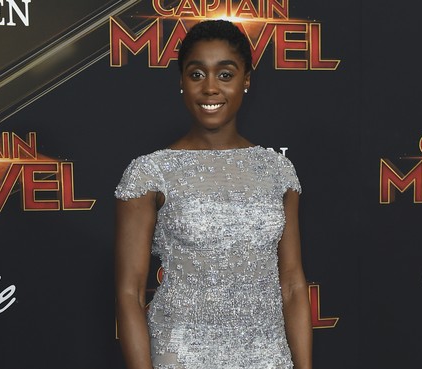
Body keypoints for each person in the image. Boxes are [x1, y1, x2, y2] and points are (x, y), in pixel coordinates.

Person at [114, 19, 312, 369]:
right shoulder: (149, 173)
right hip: (181, 356)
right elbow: (130, 294)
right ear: (181, 82)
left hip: (266, 357)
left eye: (225, 74)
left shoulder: (278, 170)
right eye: (196, 74)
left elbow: (294, 285)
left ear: (246, 80)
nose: (210, 88)